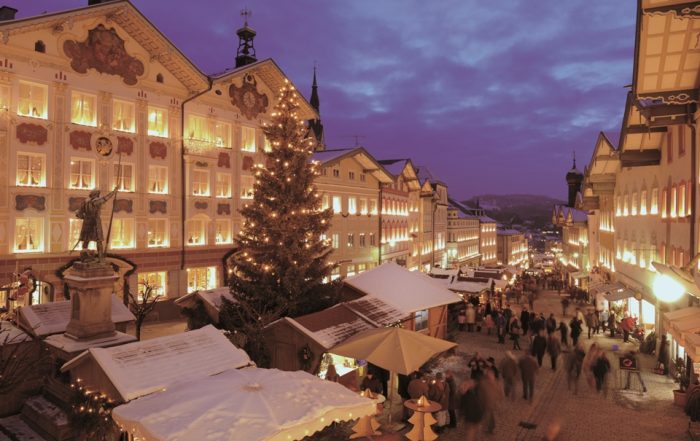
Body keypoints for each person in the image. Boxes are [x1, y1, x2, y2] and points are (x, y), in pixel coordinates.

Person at [75, 188, 117, 262]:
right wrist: (113, 192)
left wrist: (85, 217)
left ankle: (84, 256)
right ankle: (101, 258)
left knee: (86, 240)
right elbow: (105, 199)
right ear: (96, 195)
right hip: (95, 222)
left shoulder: (85, 202)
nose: (99, 196)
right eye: (98, 194)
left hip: (86, 223)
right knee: (99, 240)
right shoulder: (96, 201)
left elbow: (78, 214)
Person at [477, 368, 502, 435]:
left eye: (491, 375)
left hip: (493, 404)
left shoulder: (496, 382)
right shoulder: (483, 383)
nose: (490, 376)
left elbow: (500, 392)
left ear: (493, 375)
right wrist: (481, 403)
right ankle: (488, 429)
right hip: (486, 404)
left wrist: (499, 400)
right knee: (488, 417)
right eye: (489, 375)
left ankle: (490, 428)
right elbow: (480, 394)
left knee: (491, 417)